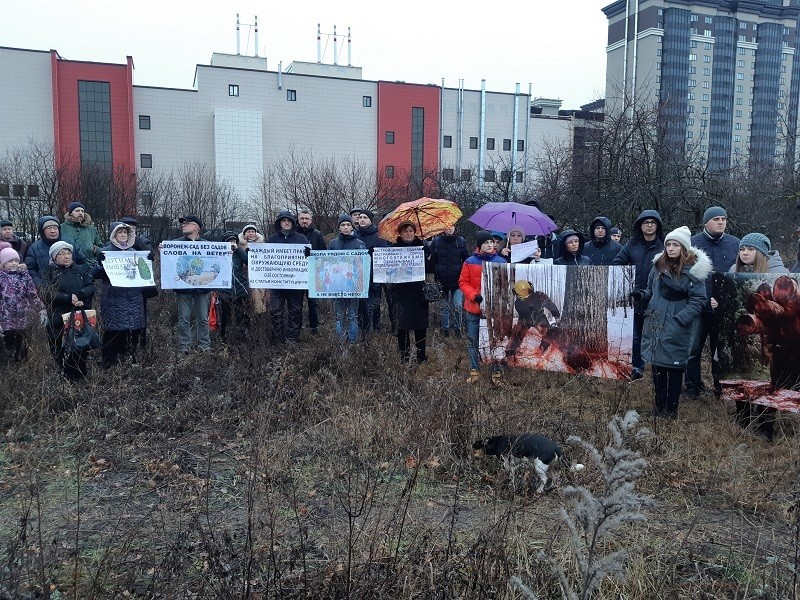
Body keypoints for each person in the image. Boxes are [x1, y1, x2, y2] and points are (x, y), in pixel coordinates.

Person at [633, 226, 710, 419]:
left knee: (674, 369)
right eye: (668, 244)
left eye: (675, 244)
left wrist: (681, 319)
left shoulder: (693, 271)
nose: (671, 248)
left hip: (677, 327)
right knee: (657, 367)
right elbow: (650, 291)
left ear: (683, 248)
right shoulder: (658, 266)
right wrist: (641, 295)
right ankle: (659, 408)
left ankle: (671, 411)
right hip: (656, 322)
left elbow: (699, 300)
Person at [729, 232, 788, 440]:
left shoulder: (780, 275)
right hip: (747, 336)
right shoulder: (732, 271)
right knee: (744, 375)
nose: (745, 253)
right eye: (742, 249)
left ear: (761, 253)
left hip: (773, 339)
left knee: (768, 380)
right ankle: (743, 419)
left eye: (750, 249)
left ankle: (765, 425)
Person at [686, 206, 740, 397]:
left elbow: (740, 273)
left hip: (724, 309)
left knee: (721, 350)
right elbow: (686, 276)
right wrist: (702, 299)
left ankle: (720, 386)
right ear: (706, 222)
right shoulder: (692, 244)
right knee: (693, 348)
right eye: (716, 219)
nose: (721, 222)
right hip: (699, 307)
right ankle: (693, 386)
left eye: (724, 219)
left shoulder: (735, 244)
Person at [612, 210, 665, 380]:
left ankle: (659, 367)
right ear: (640, 226)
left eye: (652, 222)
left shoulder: (664, 246)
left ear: (657, 225)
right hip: (634, 297)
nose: (649, 225)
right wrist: (628, 282)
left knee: (653, 335)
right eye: (645, 222)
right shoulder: (631, 245)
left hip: (657, 297)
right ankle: (637, 366)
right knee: (634, 335)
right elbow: (617, 263)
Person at [40, 241, 95, 380]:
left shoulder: (80, 269)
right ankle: (63, 375)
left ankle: (80, 375)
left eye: (68, 253)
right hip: (59, 316)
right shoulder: (49, 272)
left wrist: (81, 295)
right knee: (59, 346)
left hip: (79, 314)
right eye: (62, 253)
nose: (66, 256)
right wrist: (68, 298)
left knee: (81, 344)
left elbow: (91, 287)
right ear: (54, 257)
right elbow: (46, 293)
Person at [94, 222, 146, 368]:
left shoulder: (135, 252)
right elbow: (95, 274)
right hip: (113, 297)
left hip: (133, 296)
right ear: (113, 235)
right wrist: (101, 266)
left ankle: (129, 359)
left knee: (133, 329)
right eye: (120, 232)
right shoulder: (105, 252)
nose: (123, 235)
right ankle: (109, 362)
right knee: (112, 330)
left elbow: (144, 273)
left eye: (125, 233)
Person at [459, 230, 507, 384]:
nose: (490, 245)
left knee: (495, 342)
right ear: (479, 245)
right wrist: (474, 296)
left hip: (494, 310)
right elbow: (463, 282)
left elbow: (505, 284)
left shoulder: (501, 262)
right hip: (473, 308)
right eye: (486, 242)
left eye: (491, 242)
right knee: (473, 341)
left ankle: (496, 373)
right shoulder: (469, 261)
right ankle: (474, 371)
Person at [391, 221, 433, 363]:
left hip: (418, 291)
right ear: (400, 234)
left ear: (414, 232)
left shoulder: (421, 247)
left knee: (420, 324)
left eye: (410, 231)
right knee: (402, 326)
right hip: (400, 291)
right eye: (405, 231)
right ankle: (405, 355)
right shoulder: (394, 248)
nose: (408, 234)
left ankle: (421, 355)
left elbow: (430, 269)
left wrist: (428, 255)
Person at [170, 215, 213, 354]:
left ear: (196, 227)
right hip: (183, 287)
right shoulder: (175, 244)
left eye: (187, 223)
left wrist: (227, 253)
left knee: (202, 318)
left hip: (202, 287)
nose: (183, 225)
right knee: (183, 318)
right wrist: (163, 250)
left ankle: (204, 346)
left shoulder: (207, 245)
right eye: (182, 223)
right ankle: (184, 347)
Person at [267, 211, 309, 343]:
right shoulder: (272, 239)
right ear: (279, 223)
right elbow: (264, 258)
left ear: (293, 223)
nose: (286, 222)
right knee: (275, 312)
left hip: (295, 283)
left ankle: (292, 338)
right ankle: (277, 339)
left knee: (295, 311)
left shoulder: (301, 238)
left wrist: (309, 253)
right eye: (283, 220)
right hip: (276, 283)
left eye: (289, 220)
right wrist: (253, 254)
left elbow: (308, 260)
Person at [0, 247, 43, 364]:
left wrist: (40, 309)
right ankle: (9, 368)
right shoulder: (1, 277)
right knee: (8, 345)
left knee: (23, 344)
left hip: (24, 316)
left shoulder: (25, 276)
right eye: (10, 261)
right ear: (3, 263)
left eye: (16, 260)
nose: (14, 263)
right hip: (6, 318)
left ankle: (22, 366)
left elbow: (32, 294)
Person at [327, 214, 366, 342]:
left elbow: (362, 265)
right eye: (343, 225)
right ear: (339, 228)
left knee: (353, 316)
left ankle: (352, 342)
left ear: (352, 226)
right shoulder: (333, 243)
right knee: (339, 316)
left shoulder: (359, 244)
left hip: (353, 285)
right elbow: (327, 263)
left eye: (348, 224)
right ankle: (340, 343)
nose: (345, 227)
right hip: (337, 284)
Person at [430, 224, 470, 336]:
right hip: (441, 280)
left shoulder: (461, 241)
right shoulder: (436, 242)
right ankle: (445, 329)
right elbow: (432, 261)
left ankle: (458, 329)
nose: (449, 228)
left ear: (455, 227)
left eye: (451, 225)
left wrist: (465, 275)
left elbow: (466, 259)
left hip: (458, 281)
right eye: (446, 226)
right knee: (444, 307)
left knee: (457, 305)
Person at [505, 279, 561, 358]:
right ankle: (510, 352)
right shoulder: (517, 303)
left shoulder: (539, 296)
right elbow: (521, 315)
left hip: (539, 317)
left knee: (547, 333)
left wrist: (557, 317)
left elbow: (551, 305)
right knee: (517, 334)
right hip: (525, 319)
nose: (528, 296)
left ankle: (541, 349)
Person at [24, 216, 86, 287]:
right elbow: (30, 270)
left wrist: (82, 282)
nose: (53, 231)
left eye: (55, 228)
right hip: (48, 290)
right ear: (42, 231)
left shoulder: (70, 243)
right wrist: (40, 286)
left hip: (73, 288)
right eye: (48, 228)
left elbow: (82, 262)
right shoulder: (34, 248)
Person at [356, 210, 389, 334]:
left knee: (373, 306)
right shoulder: (355, 235)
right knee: (360, 306)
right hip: (359, 277)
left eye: (365, 217)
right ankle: (362, 329)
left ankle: (375, 329)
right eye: (360, 217)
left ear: (370, 220)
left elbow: (386, 253)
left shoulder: (379, 236)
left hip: (374, 277)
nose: (362, 220)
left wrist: (374, 253)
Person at [216, 231, 250, 344]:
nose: (232, 243)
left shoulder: (239, 254)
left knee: (241, 316)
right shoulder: (218, 254)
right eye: (229, 241)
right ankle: (224, 338)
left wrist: (239, 249)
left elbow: (249, 262)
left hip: (240, 290)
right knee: (225, 316)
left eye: (234, 241)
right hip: (225, 291)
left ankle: (241, 339)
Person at [297, 210, 327, 333]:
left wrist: (313, 256)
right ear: (298, 220)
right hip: (296, 274)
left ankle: (314, 327)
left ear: (311, 220)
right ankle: (297, 327)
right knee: (296, 303)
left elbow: (324, 254)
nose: (304, 221)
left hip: (313, 274)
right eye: (302, 218)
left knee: (313, 302)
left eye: (307, 219)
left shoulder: (317, 235)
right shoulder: (294, 234)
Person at [238, 224, 269, 328]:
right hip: (245, 276)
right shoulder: (239, 246)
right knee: (247, 301)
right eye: (248, 232)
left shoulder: (262, 245)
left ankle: (259, 325)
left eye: (252, 231)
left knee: (259, 299)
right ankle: (247, 325)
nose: (251, 233)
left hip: (259, 277)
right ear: (244, 234)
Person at [59, 201, 104, 266]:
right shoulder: (61, 228)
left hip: (89, 265)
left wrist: (95, 249)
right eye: (77, 211)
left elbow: (101, 247)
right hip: (68, 266)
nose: (80, 213)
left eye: (82, 211)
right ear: (70, 213)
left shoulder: (92, 229)